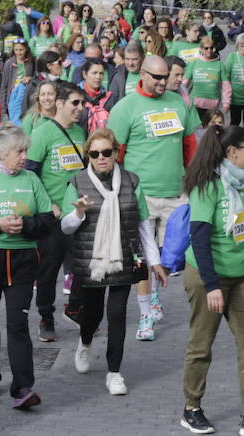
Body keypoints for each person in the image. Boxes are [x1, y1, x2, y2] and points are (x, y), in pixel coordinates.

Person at [178, 123, 244, 436]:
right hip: (207, 277)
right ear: (232, 152)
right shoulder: (206, 186)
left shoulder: (240, 183)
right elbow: (199, 236)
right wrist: (211, 285)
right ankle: (191, 408)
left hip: (240, 276)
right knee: (201, 345)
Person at [61, 125, 165, 397]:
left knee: (117, 313)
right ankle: (84, 343)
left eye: (106, 152)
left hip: (124, 257)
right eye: (94, 154)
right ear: (88, 156)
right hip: (92, 261)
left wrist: (155, 263)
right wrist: (79, 213)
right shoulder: (77, 182)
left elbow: (143, 225)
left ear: (117, 153)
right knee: (92, 312)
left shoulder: (132, 181)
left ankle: (114, 372)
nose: (101, 158)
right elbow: (66, 227)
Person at [107, 54, 199, 341]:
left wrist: (193, 180)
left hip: (175, 193)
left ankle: (155, 295)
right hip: (141, 196)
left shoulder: (177, 102)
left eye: (166, 77)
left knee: (172, 254)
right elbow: (114, 154)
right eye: (157, 77)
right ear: (143, 75)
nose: (163, 82)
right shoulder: (125, 108)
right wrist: (118, 190)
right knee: (142, 257)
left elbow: (190, 146)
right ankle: (146, 314)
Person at [0, 127, 52, 409]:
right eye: (19, 152)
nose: (24, 157)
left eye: (25, 151)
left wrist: (25, 226)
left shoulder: (31, 179)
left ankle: (23, 387)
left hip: (22, 261)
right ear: (2, 153)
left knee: (18, 325)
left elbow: (47, 220)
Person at [25, 81, 88, 342]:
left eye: (83, 103)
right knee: (49, 270)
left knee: (84, 266)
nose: (81, 108)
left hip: (79, 213)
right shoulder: (42, 133)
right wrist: (47, 204)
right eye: (76, 103)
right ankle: (46, 316)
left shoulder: (80, 134)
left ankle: (74, 308)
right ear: (59, 103)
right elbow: (28, 174)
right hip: (52, 217)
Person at [186, 35, 228, 126]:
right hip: (196, 104)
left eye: (211, 48)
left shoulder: (220, 65)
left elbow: (226, 86)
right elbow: (184, 84)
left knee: (210, 130)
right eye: (206, 48)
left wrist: (226, 103)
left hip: (212, 105)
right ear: (201, 49)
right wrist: (182, 100)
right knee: (196, 129)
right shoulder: (194, 63)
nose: (209, 50)